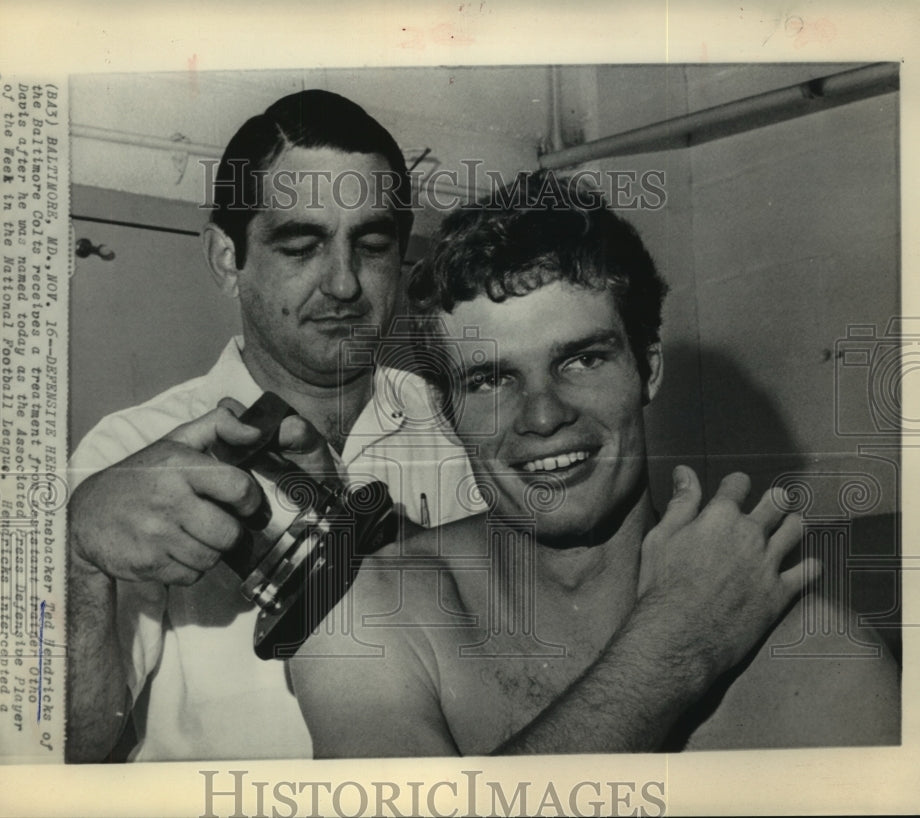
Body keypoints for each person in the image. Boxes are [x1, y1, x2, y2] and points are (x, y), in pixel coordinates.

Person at [290, 172, 901, 755]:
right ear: (447, 411)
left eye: (581, 360)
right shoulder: (372, 613)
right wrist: (675, 641)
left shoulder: (826, 655)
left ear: (648, 370)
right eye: (491, 379)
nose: (543, 415)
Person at [65, 90, 481, 762]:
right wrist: (79, 560)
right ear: (227, 259)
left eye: (372, 245)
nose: (344, 284)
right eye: (300, 245)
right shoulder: (125, 454)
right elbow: (55, 752)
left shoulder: (466, 429)